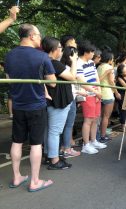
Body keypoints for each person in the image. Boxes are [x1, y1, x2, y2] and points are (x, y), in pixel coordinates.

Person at [4, 24, 55, 191]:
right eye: (39, 35)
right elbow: (52, 82)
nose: (40, 38)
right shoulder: (42, 57)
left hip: (18, 105)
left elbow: (9, 79)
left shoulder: (9, 56)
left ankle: (17, 177)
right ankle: (34, 181)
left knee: (17, 141)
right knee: (35, 144)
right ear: (32, 36)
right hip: (36, 106)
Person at [42, 37, 77, 170]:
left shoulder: (44, 61)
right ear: (55, 49)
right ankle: (54, 160)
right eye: (61, 48)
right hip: (58, 101)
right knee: (55, 131)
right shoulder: (54, 64)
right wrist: (74, 62)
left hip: (51, 101)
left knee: (49, 130)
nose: (62, 50)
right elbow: (72, 78)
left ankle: (49, 155)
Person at [76, 40, 106, 154]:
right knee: (88, 120)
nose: (94, 54)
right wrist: (95, 91)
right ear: (86, 52)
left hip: (95, 93)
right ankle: (86, 144)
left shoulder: (91, 63)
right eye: (92, 52)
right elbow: (81, 81)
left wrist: (98, 91)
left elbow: (96, 77)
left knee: (95, 118)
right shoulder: (78, 63)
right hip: (87, 94)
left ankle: (93, 140)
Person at [97, 50, 121, 143]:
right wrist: (116, 92)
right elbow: (111, 82)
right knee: (106, 117)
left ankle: (98, 134)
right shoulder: (109, 68)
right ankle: (103, 136)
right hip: (108, 94)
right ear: (110, 59)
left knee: (99, 116)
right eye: (112, 59)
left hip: (99, 93)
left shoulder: (99, 67)